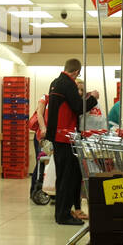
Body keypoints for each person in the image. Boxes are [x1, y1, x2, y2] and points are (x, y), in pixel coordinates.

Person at [45, 59, 85, 226]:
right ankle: (63, 216)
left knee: (62, 178)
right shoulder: (68, 84)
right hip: (65, 136)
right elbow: (77, 107)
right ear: (75, 72)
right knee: (68, 178)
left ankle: (61, 213)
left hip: (57, 136)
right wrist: (93, 99)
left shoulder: (55, 83)